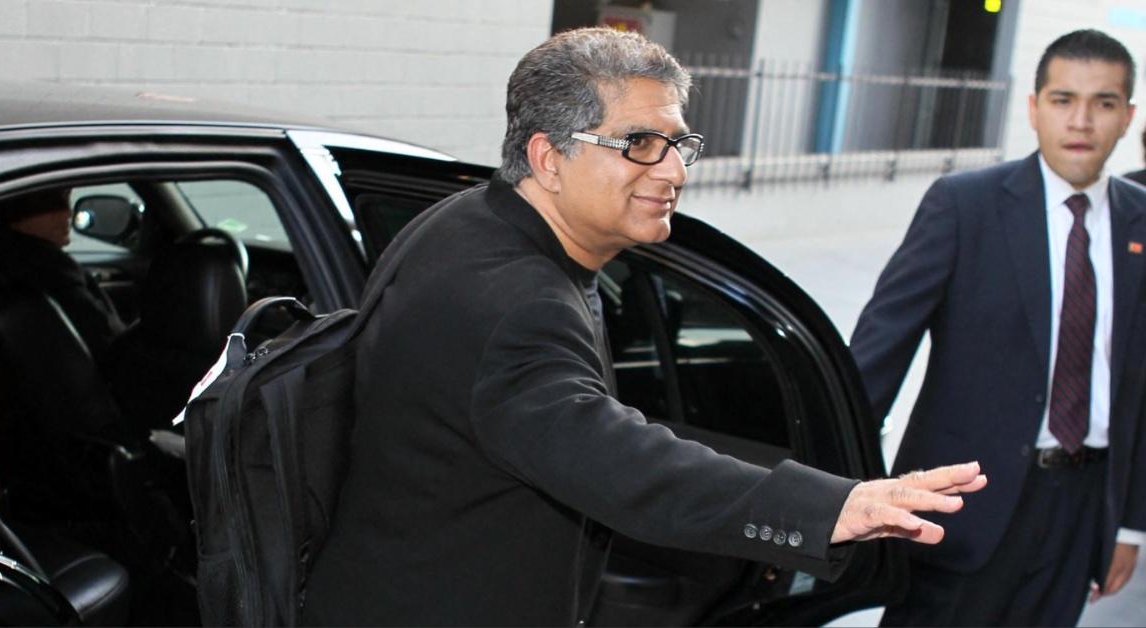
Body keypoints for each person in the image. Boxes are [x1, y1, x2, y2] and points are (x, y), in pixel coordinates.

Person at [301, 27, 985, 626]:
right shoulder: (516, 302)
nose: (675, 170)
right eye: (640, 144)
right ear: (548, 157)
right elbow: (619, 461)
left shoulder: (464, 221)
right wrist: (833, 506)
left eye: (679, 142)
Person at [851, 29, 1145, 626]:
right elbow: (875, 358)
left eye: (1104, 103)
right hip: (960, 509)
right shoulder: (965, 205)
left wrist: (1130, 524)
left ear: (1127, 116)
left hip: (1081, 512)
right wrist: (833, 492)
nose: (1082, 120)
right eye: (1063, 100)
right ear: (1034, 110)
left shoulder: (1140, 223)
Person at [0, 187, 126, 368]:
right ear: (22, 214)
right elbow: (110, 345)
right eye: (58, 202)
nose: (69, 213)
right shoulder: (53, 274)